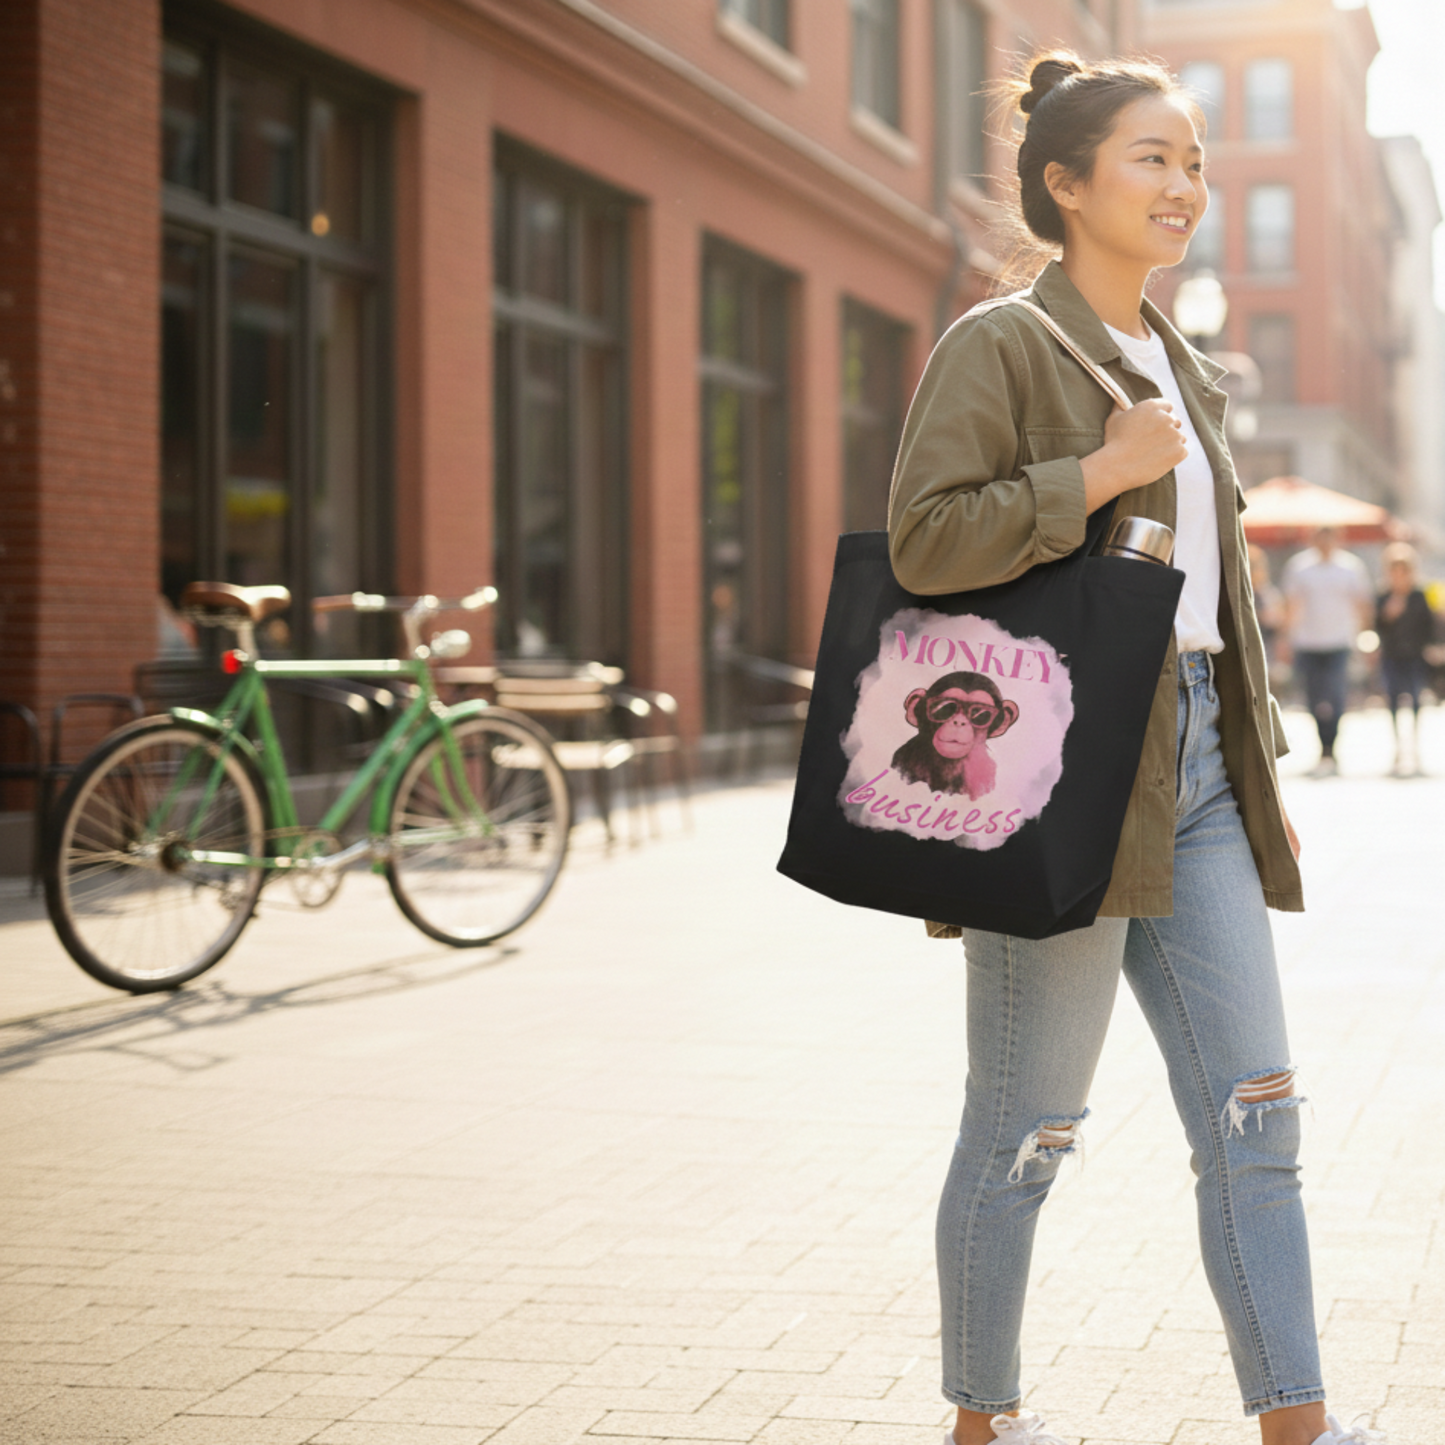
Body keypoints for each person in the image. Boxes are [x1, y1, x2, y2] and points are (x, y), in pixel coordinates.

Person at [887, 51, 1385, 1445]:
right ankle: (983, 1423)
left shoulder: (1187, 364)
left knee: (1257, 1114)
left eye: (1196, 161)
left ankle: (1298, 1426)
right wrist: (1095, 474)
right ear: (1065, 180)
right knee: (1028, 1129)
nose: (1187, 186)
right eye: (1154, 158)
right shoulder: (998, 342)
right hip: (1059, 767)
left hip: (1206, 762)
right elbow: (926, 542)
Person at [1281, 527, 1373, 777]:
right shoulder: (1299, 567)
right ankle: (1323, 745)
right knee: (1312, 697)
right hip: (1307, 642)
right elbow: (1291, 604)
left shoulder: (1351, 567)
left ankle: (1332, 747)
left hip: (1339, 642)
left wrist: (1365, 637)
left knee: (1336, 694)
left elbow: (1362, 604)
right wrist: (1285, 638)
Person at [1375, 542, 1436, 776]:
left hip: (1416, 655)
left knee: (1416, 699)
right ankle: (1398, 746)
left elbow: (1429, 624)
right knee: (1392, 699)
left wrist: (1433, 646)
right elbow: (1377, 626)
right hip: (1392, 654)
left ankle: (1415, 745)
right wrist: (1388, 615)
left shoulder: (1420, 594)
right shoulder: (1383, 595)